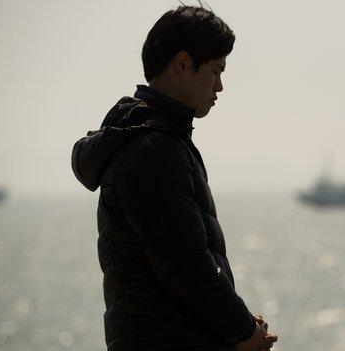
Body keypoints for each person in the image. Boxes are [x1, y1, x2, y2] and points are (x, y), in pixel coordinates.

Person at [71, 4, 278, 351]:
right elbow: (186, 263)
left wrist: (237, 327)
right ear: (183, 63)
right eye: (215, 70)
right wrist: (243, 331)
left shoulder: (150, 139)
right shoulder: (155, 149)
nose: (221, 86)